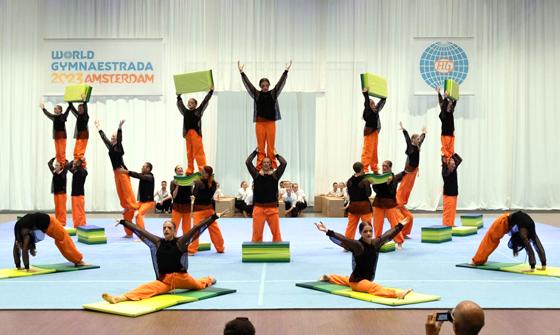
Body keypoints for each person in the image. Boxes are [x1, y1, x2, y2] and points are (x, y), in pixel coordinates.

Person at [101, 211, 228, 304]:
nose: (166, 230)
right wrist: (124, 222)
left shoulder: (181, 242)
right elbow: (141, 231)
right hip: (166, 281)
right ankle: (118, 298)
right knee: (147, 288)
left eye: (169, 228)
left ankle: (209, 279)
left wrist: (214, 217)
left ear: (174, 231)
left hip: (182, 278)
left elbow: (197, 228)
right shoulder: (158, 242)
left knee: (199, 285)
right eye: (164, 228)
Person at [314, 220, 412, 299]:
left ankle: (329, 277)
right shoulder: (358, 245)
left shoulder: (375, 243)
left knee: (348, 280)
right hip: (358, 281)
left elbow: (387, 235)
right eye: (365, 231)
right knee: (374, 287)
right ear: (360, 233)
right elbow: (344, 239)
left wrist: (399, 226)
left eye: (370, 231)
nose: (368, 233)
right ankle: (396, 294)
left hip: (359, 278)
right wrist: (327, 231)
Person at [238, 60, 291, 170]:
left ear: (269, 85)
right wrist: (242, 73)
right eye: (263, 85)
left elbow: (280, 83)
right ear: (260, 86)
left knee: (270, 146)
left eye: (267, 85)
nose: (265, 87)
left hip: (271, 123)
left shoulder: (273, 93)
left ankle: (272, 166)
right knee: (261, 146)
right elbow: (248, 85)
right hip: (260, 123)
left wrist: (286, 71)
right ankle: (259, 166)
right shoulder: (257, 94)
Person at [471, 211, 546, 271]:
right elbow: (529, 247)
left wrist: (542, 265)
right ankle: (477, 260)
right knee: (490, 238)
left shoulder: (528, 230)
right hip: (503, 222)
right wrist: (533, 267)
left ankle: (478, 260)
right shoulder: (523, 232)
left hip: (514, 223)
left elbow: (536, 245)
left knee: (532, 242)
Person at [95, 119, 139, 223]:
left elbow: (120, 139)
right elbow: (104, 139)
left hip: (122, 170)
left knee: (127, 190)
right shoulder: (110, 146)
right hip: (116, 172)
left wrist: (119, 127)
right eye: (112, 136)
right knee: (120, 191)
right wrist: (99, 128)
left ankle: (134, 207)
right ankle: (126, 206)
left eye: (114, 136)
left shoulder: (118, 146)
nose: (112, 137)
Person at [13, 212, 86, 271]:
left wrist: (27, 268)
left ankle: (78, 261)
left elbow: (24, 251)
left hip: (51, 223)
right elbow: (16, 250)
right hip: (40, 225)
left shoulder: (25, 235)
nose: (20, 247)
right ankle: (77, 260)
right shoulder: (17, 235)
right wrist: (18, 266)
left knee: (64, 239)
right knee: (60, 241)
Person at [245, 148, 287, 242]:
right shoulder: (256, 175)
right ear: (261, 164)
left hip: (272, 209)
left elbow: (284, 163)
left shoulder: (275, 175)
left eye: (268, 162)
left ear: (271, 164)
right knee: (256, 235)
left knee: (276, 234)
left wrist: (276, 155)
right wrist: (255, 152)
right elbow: (248, 162)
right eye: (264, 162)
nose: (266, 164)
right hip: (258, 209)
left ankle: (278, 252)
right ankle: (256, 253)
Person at [396, 122, 426, 238]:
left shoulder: (418, 146)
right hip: (409, 172)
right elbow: (407, 140)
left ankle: (402, 202)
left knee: (408, 189)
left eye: (419, 139)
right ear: (413, 140)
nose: (419, 140)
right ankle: (399, 201)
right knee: (404, 187)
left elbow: (422, 139)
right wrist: (404, 131)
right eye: (417, 138)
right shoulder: (411, 148)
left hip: (413, 173)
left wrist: (423, 133)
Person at [177, 87, 214, 175]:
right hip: (188, 134)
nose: (190, 104)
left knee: (198, 152)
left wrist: (210, 92)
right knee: (189, 152)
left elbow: (205, 102)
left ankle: (202, 169)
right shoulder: (185, 112)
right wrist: (179, 97)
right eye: (189, 103)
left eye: (192, 103)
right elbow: (180, 105)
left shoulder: (198, 111)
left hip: (195, 134)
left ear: (195, 104)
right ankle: (190, 169)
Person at [372, 160, 407, 249]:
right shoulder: (379, 177)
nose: (383, 168)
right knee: (377, 224)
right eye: (383, 166)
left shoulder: (393, 178)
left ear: (390, 167)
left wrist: (388, 184)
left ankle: (399, 242)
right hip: (378, 203)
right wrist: (375, 182)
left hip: (390, 203)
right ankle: (378, 241)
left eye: (386, 166)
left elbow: (391, 192)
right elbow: (376, 190)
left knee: (395, 223)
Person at [190, 166, 225, 255]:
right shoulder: (214, 183)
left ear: (206, 173)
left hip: (199, 210)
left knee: (196, 230)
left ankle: (192, 249)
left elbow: (194, 195)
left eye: (202, 171)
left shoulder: (198, 183)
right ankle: (220, 247)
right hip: (209, 209)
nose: (200, 171)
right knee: (214, 229)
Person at [119, 162, 155, 237]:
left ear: (148, 168)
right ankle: (129, 233)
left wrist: (127, 172)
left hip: (149, 203)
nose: (142, 168)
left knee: (138, 214)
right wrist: (123, 167)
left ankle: (143, 236)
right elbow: (136, 174)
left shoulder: (150, 177)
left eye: (143, 167)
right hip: (141, 202)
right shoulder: (143, 175)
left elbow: (138, 175)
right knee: (127, 212)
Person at [360, 87, 387, 173]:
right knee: (368, 151)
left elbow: (381, 103)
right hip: (369, 133)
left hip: (375, 133)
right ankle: (364, 168)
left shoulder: (375, 110)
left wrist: (383, 96)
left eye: (374, 103)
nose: (374, 105)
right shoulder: (368, 111)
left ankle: (374, 168)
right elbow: (367, 104)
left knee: (374, 151)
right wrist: (366, 94)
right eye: (372, 104)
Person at [344, 162, 372, 240]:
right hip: (364, 207)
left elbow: (349, 193)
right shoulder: (365, 180)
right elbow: (368, 194)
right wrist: (369, 185)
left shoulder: (349, 180)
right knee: (367, 226)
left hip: (353, 206)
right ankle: (367, 242)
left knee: (351, 226)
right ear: (362, 169)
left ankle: (347, 244)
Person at [170, 165, 192, 235]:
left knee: (187, 226)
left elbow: (191, 192)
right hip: (177, 206)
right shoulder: (173, 182)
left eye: (181, 168)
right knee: (174, 225)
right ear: (176, 171)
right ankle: (172, 240)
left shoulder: (188, 181)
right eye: (178, 168)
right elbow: (174, 195)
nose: (180, 169)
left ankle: (186, 242)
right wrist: (178, 185)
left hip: (187, 206)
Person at [437, 86, 457, 162]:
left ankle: (449, 160)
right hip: (446, 136)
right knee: (448, 152)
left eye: (451, 104)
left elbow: (453, 103)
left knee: (449, 152)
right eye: (449, 103)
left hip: (450, 135)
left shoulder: (450, 112)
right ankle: (449, 160)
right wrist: (443, 96)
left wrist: (454, 96)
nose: (450, 104)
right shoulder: (443, 114)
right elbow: (442, 104)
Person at [442, 153, 462, 227]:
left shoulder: (454, 168)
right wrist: (445, 160)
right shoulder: (445, 171)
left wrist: (451, 154)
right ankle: (447, 225)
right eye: (452, 161)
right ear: (448, 163)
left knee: (452, 211)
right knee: (448, 212)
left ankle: (451, 223)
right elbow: (445, 169)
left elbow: (459, 160)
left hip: (454, 193)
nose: (454, 162)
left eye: (454, 161)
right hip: (448, 195)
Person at [48, 157, 69, 226]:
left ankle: (62, 222)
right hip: (56, 194)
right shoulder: (54, 172)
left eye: (57, 165)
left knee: (62, 209)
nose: (55, 167)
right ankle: (57, 221)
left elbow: (67, 164)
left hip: (62, 194)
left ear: (60, 166)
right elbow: (49, 164)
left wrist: (63, 159)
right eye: (55, 165)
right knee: (57, 208)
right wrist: (54, 158)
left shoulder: (64, 172)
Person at [68, 94, 89, 163]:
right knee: (76, 151)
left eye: (80, 109)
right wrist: (69, 101)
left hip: (84, 134)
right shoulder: (78, 115)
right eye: (78, 109)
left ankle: (81, 164)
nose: (79, 110)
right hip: (79, 134)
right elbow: (72, 109)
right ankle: (76, 162)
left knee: (80, 152)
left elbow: (86, 109)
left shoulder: (85, 115)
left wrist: (84, 101)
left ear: (83, 109)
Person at [68, 158, 88, 227]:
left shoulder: (82, 171)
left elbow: (70, 166)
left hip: (79, 194)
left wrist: (77, 161)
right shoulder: (76, 170)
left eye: (76, 163)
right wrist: (74, 160)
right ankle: (77, 224)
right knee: (76, 211)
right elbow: (69, 166)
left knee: (79, 211)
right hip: (74, 194)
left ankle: (81, 224)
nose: (74, 164)